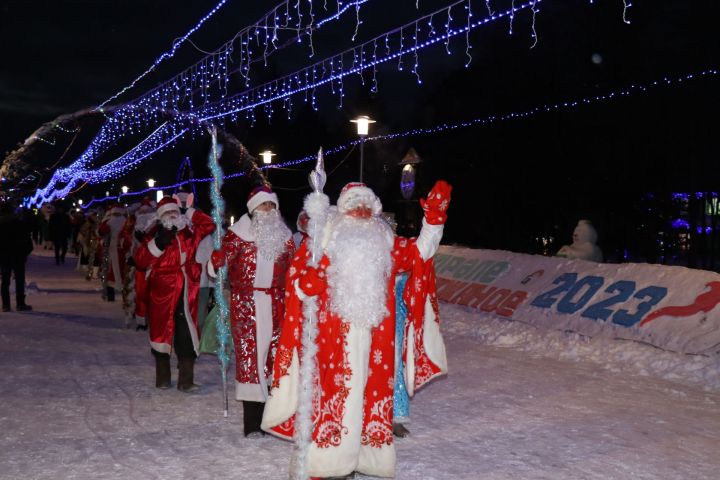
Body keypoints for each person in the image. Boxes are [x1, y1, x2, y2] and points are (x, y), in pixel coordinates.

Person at [262, 181, 451, 478]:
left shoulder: (385, 242)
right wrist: (305, 285)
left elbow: (420, 253)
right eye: (354, 205)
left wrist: (434, 221)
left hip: (376, 340)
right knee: (332, 397)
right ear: (342, 209)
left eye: (367, 206)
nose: (362, 212)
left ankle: (364, 457)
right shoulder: (322, 242)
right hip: (330, 340)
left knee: (370, 394)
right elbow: (298, 281)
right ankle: (329, 462)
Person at [210, 186, 295, 437]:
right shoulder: (236, 236)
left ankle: (273, 419)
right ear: (253, 209)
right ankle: (252, 424)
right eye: (263, 205)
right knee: (251, 360)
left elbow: (295, 266)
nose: (268, 210)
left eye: (271, 205)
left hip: (278, 303)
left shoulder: (285, 237)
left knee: (275, 360)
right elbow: (219, 266)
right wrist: (216, 263)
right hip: (247, 304)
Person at [133, 196, 215, 391]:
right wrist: (159, 243)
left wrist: (189, 211)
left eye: (175, 211)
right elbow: (141, 260)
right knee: (161, 334)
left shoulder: (189, 232)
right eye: (168, 212)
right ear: (161, 216)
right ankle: (162, 379)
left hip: (187, 291)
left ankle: (186, 381)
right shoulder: (153, 234)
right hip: (162, 291)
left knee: (186, 334)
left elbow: (209, 224)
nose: (172, 214)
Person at [0, 203, 33, 312]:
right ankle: (20, 303)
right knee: (19, 280)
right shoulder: (19, 224)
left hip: (4, 256)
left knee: (5, 280)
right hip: (18, 256)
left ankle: (6, 305)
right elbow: (28, 242)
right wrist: (24, 253)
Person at [98, 203, 127, 301]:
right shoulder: (126, 222)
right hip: (121, 250)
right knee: (121, 271)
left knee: (110, 271)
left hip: (114, 249)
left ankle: (111, 295)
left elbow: (100, 233)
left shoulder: (108, 222)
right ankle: (124, 296)